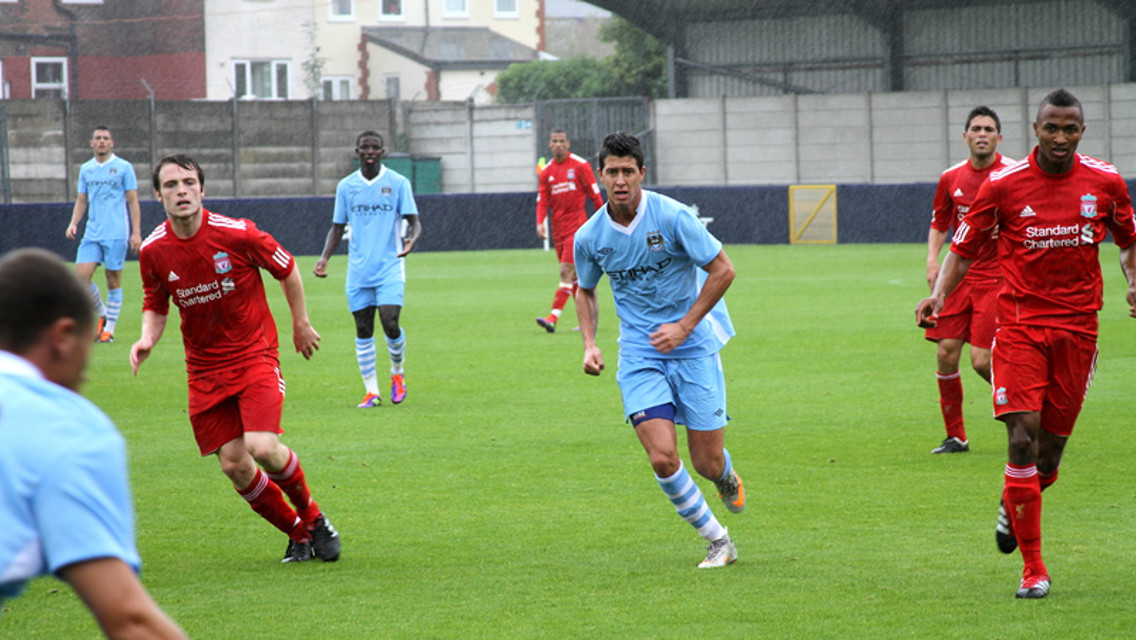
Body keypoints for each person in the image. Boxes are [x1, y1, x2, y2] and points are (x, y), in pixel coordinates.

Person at [916, 89, 1136, 599]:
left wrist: (1132, 278)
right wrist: (938, 294)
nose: (1060, 137)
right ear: (1035, 129)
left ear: (1082, 131)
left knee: (1049, 458)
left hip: (1079, 330)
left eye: (1071, 129)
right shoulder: (1004, 185)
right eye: (1051, 128)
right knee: (1021, 438)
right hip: (1018, 327)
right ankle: (1033, 569)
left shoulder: (1105, 182)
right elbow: (963, 248)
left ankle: (1014, 500)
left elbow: (1128, 240)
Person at [131, 154, 341, 564]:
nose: (181, 191)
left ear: (202, 189)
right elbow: (156, 303)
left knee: (262, 447)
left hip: (253, 355)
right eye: (171, 185)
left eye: (188, 182)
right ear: (158, 195)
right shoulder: (154, 250)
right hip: (204, 369)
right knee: (233, 464)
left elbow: (286, 268)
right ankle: (297, 534)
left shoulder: (238, 234)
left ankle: (314, 519)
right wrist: (146, 338)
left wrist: (300, 323)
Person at [574, 132, 744, 568]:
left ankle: (724, 476)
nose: (620, 180)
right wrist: (590, 343)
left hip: (693, 348)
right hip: (639, 354)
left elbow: (723, 270)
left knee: (705, 462)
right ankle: (718, 541)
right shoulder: (590, 236)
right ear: (600, 176)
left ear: (642, 174)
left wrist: (685, 326)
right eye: (612, 171)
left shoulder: (673, 217)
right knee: (663, 456)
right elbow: (586, 291)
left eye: (628, 171)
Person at [0, 248, 186, 639]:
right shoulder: (65, 426)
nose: (85, 371)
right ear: (64, 337)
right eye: (87, 345)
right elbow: (131, 622)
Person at [924, 106, 1015, 454]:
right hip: (958, 277)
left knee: (981, 361)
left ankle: (1026, 411)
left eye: (988, 129)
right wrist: (933, 259)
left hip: (997, 277)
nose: (982, 134)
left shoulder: (1011, 174)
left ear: (998, 138)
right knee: (946, 354)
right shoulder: (951, 178)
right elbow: (940, 221)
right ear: (965, 136)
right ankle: (956, 437)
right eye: (975, 128)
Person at [314, 130, 421, 408]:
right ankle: (371, 392)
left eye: (375, 147)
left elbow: (414, 221)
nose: (370, 151)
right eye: (365, 147)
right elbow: (337, 227)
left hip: (390, 267)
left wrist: (411, 239)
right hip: (359, 271)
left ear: (383, 152)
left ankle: (397, 373)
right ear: (357, 151)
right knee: (363, 329)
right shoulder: (346, 187)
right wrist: (325, 258)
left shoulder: (398, 183)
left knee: (390, 322)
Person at [65, 126, 143, 344]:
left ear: (112, 143)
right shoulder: (86, 169)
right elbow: (82, 200)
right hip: (92, 232)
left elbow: (133, 201)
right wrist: (73, 224)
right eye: (97, 138)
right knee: (81, 277)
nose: (101, 141)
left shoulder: (123, 168)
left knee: (113, 279)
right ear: (91, 143)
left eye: (105, 138)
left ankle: (109, 329)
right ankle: (103, 313)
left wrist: (136, 233)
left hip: (117, 232)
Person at [534, 128, 604, 333]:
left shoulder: (581, 166)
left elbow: (595, 196)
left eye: (561, 141)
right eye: (554, 141)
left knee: (566, 271)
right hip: (558, 230)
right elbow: (542, 201)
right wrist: (540, 222)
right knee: (576, 278)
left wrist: (604, 221)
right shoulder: (546, 172)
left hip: (578, 228)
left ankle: (553, 317)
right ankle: (588, 319)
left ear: (568, 143)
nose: (558, 144)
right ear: (549, 144)